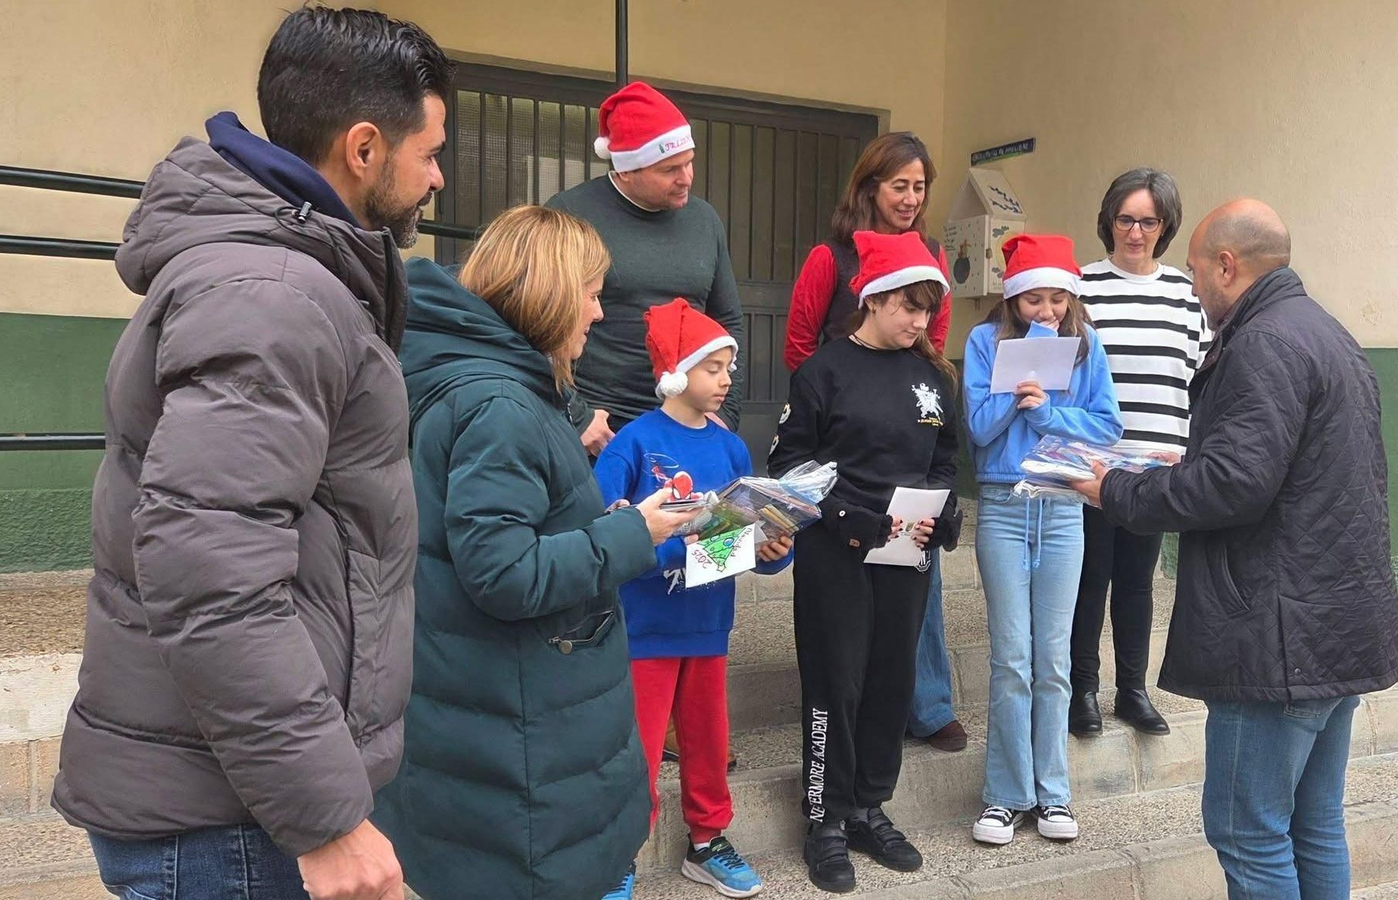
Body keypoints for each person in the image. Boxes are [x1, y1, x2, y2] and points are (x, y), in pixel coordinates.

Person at [51, 9, 452, 900]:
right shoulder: (277, 295)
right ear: (362, 148)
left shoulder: (284, 276)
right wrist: (326, 817)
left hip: (229, 799)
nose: (437, 176)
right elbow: (211, 572)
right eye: (427, 152)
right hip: (229, 827)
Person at [370, 206, 702, 900]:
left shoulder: (488, 386)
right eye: (590, 290)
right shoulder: (502, 406)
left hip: (506, 741)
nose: (599, 311)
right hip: (522, 766)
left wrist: (605, 519)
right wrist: (632, 532)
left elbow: (500, 533)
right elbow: (503, 573)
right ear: (549, 292)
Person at [1072, 199, 1398, 900]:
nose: (1192, 290)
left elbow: (1236, 487)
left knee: (1249, 834)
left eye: (1194, 273)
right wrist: (1184, 466)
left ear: (1228, 265)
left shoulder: (1263, 342)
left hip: (1276, 638)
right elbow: (1283, 468)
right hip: (1333, 625)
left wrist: (1119, 491)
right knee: (1312, 824)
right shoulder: (1326, 333)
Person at [770, 230, 963, 894]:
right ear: (873, 298)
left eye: (928, 310)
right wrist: (852, 517)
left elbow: (944, 459)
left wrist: (946, 512)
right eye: (908, 307)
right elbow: (790, 465)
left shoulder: (932, 377)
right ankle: (825, 817)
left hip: (906, 557)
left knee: (890, 681)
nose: (919, 322)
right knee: (837, 682)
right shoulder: (823, 371)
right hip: (837, 556)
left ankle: (869, 807)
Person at [594, 299, 796, 899]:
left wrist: (773, 548)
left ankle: (708, 841)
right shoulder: (631, 445)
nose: (727, 379)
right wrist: (690, 551)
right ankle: (619, 853)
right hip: (645, 627)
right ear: (677, 374)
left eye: (730, 366)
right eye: (714, 367)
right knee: (640, 747)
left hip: (708, 624)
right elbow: (607, 542)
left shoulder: (732, 449)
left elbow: (749, 529)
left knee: (709, 742)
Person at [783, 131, 966, 754]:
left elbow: (934, 359)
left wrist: (938, 500)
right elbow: (800, 346)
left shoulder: (932, 272)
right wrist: (841, 405)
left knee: (905, 626)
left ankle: (916, 719)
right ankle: (828, 799)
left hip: (905, 490)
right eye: (899, 185)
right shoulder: (829, 261)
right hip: (843, 479)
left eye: (921, 187)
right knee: (840, 656)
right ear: (868, 187)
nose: (912, 197)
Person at [962, 235, 1122, 845]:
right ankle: (1005, 795)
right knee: (1011, 657)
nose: (1047, 312)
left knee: (1054, 657)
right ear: (1014, 299)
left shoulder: (1087, 347)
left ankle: (1054, 795)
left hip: (1061, 507)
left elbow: (1107, 426)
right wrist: (1016, 393)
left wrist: (1047, 412)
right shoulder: (984, 342)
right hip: (1003, 506)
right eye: (1035, 300)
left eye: (1058, 300)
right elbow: (977, 429)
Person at [1069, 167, 1208, 738]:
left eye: (1149, 221)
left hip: (1158, 470)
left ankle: (1132, 690)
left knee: (1137, 579)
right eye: (1126, 219)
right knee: (1089, 577)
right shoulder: (1080, 285)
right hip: (1093, 464)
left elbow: (1203, 375)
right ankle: (1083, 690)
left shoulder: (1184, 293)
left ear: (1165, 226)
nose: (1135, 232)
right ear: (1109, 220)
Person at [548, 80, 744, 457]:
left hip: (686, 423)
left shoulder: (704, 220)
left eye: (689, 162)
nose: (686, 178)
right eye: (669, 169)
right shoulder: (571, 215)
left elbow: (728, 321)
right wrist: (575, 413)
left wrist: (727, 412)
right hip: (601, 427)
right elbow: (535, 324)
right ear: (625, 171)